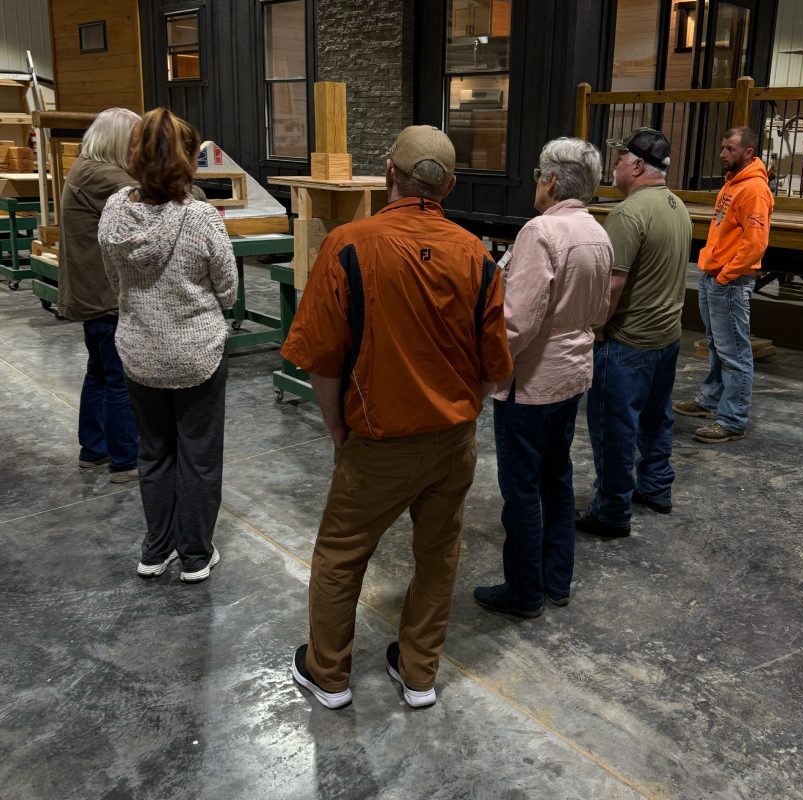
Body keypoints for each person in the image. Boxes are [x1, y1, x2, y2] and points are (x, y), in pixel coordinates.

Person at [282, 125, 512, 710]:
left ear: (389, 174)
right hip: (453, 440)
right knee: (438, 555)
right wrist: (464, 413)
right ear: (451, 186)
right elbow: (494, 367)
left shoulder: (349, 245)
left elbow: (324, 360)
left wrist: (337, 428)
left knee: (341, 552)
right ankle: (419, 675)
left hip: (379, 439)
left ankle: (328, 675)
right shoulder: (478, 256)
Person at [473, 138, 612, 617]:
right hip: (572, 375)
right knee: (557, 480)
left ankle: (524, 592)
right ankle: (557, 580)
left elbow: (516, 323)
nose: (536, 182)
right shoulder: (596, 230)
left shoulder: (542, 231)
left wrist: (482, 372)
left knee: (522, 490)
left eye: (537, 174)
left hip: (530, 384)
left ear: (551, 181)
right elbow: (599, 310)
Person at [98, 108, 238, 582]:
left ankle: (155, 551)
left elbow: (115, 279)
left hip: (139, 352)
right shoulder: (201, 218)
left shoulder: (115, 213)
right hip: (198, 353)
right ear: (186, 160)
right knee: (198, 456)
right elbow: (230, 291)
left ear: (134, 157)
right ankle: (196, 554)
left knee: (153, 453)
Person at [576, 127, 692, 539]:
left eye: (622, 159)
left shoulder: (628, 213)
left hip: (629, 343)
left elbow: (613, 284)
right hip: (666, 337)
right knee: (657, 419)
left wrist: (597, 328)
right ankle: (657, 488)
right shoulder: (677, 206)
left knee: (615, 428)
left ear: (639, 165)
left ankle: (611, 511)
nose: (617, 165)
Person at [673, 126, 773, 443]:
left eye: (729, 149)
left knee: (735, 353)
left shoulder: (753, 189)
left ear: (748, 152)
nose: (722, 154)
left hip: (728, 281)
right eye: (722, 147)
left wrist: (726, 275)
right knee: (717, 345)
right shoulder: (732, 184)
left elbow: (755, 245)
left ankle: (732, 420)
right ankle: (711, 401)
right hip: (714, 277)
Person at [58, 107, 141, 484]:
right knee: (120, 378)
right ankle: (126, 461)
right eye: (136, 141)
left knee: (100, 373)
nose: (140, 149)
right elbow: (156, 195)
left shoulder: (87, 168)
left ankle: (94, 450)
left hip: (95, 293)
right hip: (104, 295)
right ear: (118, 140)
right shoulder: (103, 175)